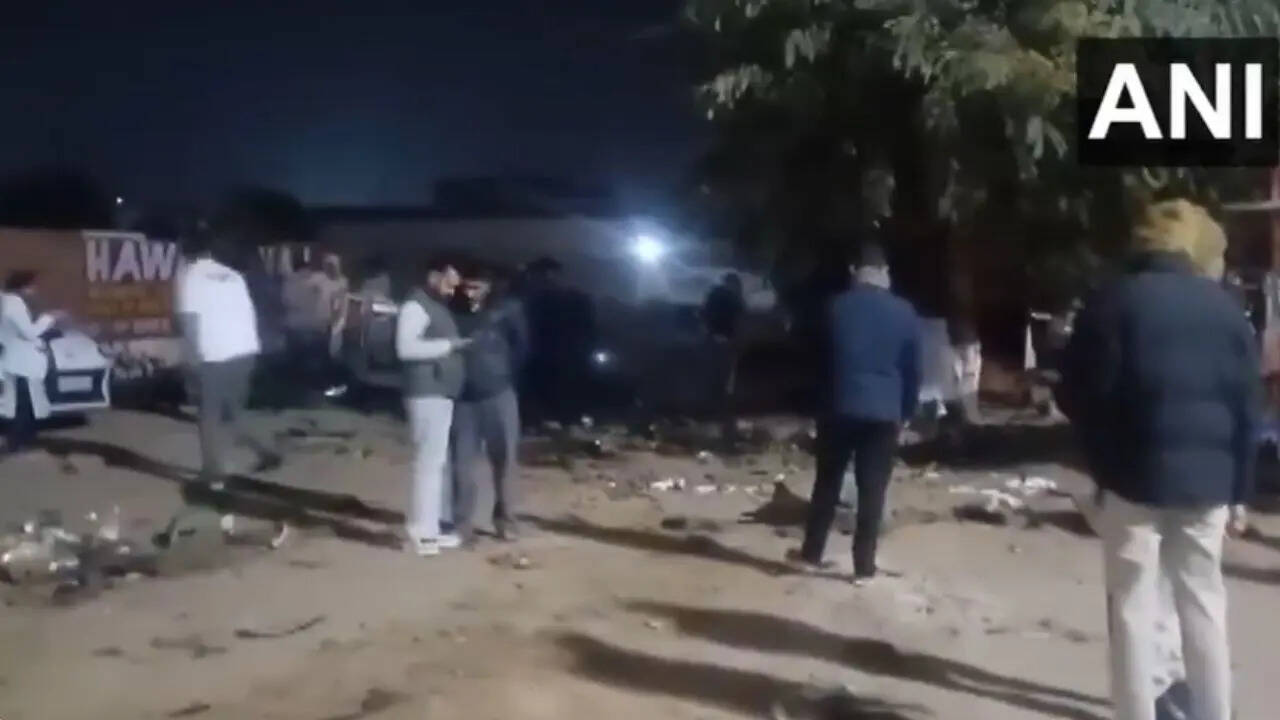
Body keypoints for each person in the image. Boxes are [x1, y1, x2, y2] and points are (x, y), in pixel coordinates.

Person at [1059, 199, 1259, 720]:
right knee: (1204, 603)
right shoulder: (1227, 311)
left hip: (1132, 476)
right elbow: (1247, 409)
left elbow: (1078, 392)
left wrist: (1099, 461)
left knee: (1132, 607)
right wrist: (1240, 490)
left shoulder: (1112, 302)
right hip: (1208, 483)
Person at [792, 243, 922, 585]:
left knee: (827, 482)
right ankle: (864, 567)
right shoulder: (905, 312)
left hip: (838, 407)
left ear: (854, 271)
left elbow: (817, 362)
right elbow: (913, 370)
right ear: (885, 273)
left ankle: (811, 554)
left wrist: (815, 404)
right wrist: (906, 410)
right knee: (872, 489)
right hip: (884, 412)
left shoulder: (834, 307)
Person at [175, 234, 282, 486]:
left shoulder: (191, 277)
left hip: (215, 354)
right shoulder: (233, 275)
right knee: (235, 412)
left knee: (208, 415)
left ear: (186, 255)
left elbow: (189, 321)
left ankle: (212, 473)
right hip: (245, 351)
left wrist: (191, 358)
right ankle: (267, 452)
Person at [446, 261, 529, 543]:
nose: (470, 292)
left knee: (505, 462)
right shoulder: (452, 310)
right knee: (461, 464)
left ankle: (506, 521)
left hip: (499, 395)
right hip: (463, 399)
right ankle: (461, 523)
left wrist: (504, 375)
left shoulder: (507, 310)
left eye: (477, 287)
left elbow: (522, 348)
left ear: (489, 287)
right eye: (467, 286)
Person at [396, 255, 471, 556]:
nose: (452, 291)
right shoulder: (415, 306)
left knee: (435, 463)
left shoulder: (435, 305)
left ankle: (432, 528)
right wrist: (450, 346)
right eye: (449, 283)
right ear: (433, 275)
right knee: (427, 464)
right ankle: (420, 532)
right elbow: (405, 348)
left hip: (439, 392)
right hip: (425, 392)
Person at [0, 271, 60, 453]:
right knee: (24, 404)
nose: (34, 290)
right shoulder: (14, 305)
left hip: (15, 360)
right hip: (21, 363)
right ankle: (18, 441)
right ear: (22, 287)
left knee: (20, 403)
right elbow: (30, 333)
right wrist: (49, 319)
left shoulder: (7, 302)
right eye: (32, 286)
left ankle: (21, 439)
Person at [702, 272, 747, 440]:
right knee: (726, 385)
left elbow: (704, 314)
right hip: (726, 343)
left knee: (718, 383)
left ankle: (720, 423)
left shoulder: (715, 295)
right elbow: (741, 321)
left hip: (714, 342)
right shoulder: (733, 299)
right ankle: (726, 427)